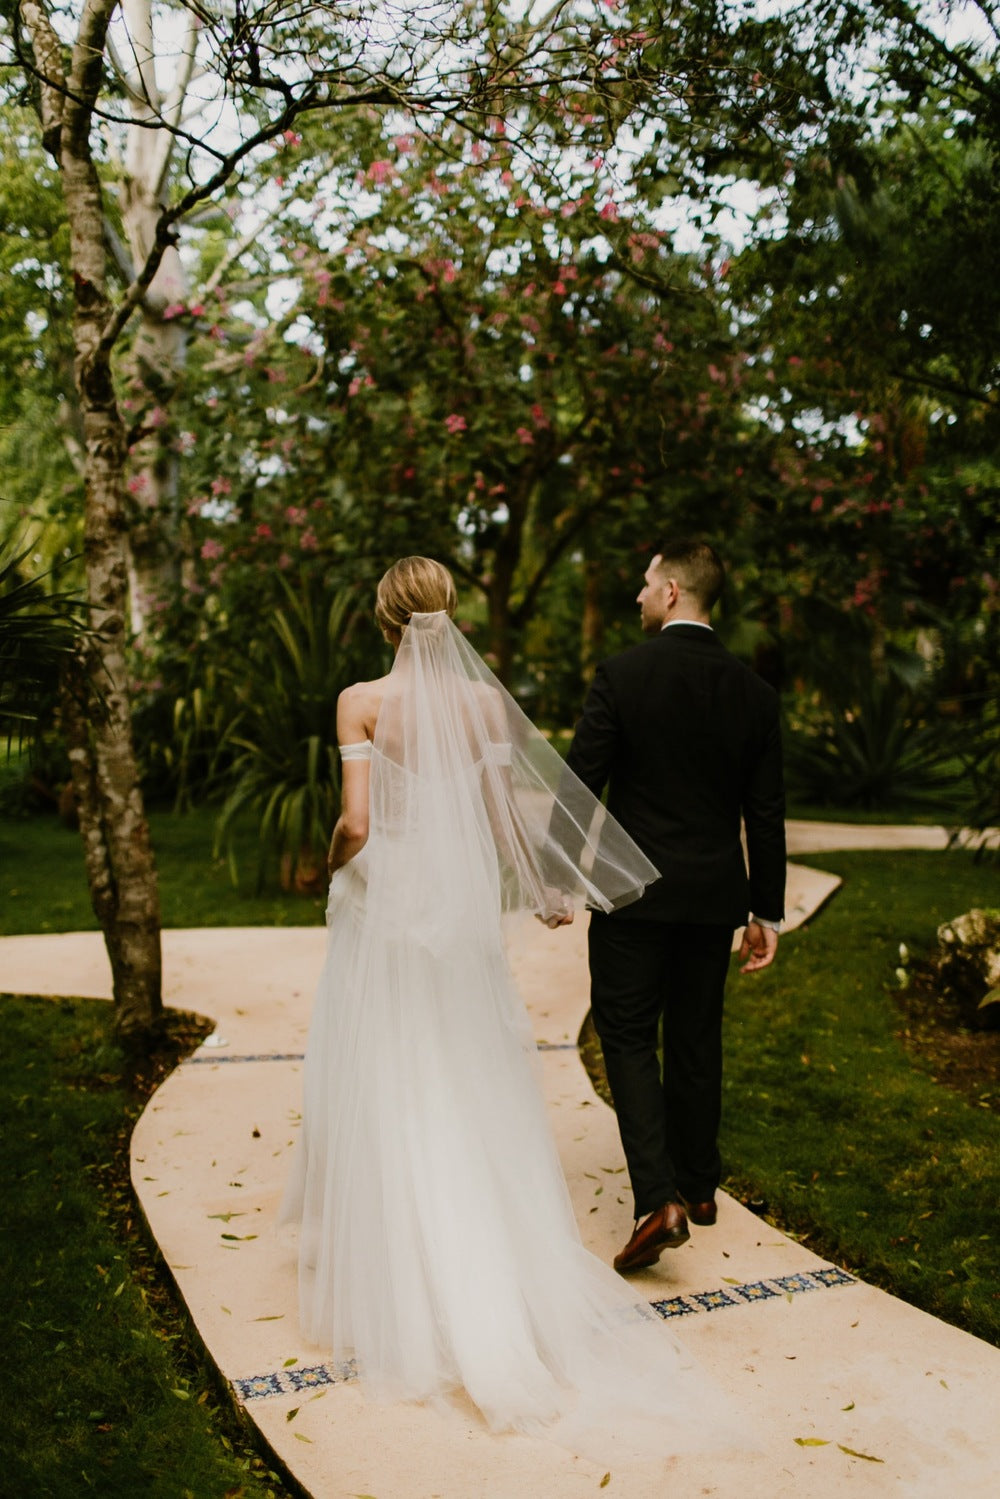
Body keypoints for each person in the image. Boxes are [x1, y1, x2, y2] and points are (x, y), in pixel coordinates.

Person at [281, 556, 744, 1461]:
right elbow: (502, 817)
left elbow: (358, 824)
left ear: (385, 617)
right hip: (459, 908)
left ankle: (402, 1263)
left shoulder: (361, 701)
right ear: (450, 612)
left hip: (388, 902)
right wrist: (542, 885)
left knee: (388, 1062)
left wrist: (326, 862)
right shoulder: (485, 707)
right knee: (463, 1063)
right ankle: (486, 1250)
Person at [564, 539, 785, 1275]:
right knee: (696, 1036)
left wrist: (555, 878)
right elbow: (767, 812)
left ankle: (657, 1198)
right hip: (713, 896)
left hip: (631, 896)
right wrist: (768, 911)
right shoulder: (753, 692)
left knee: (626, 1035)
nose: (635, 594)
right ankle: (697, 1182)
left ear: (672, 594)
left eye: (645, 581)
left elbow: (578, 786)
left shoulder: (624, 675)